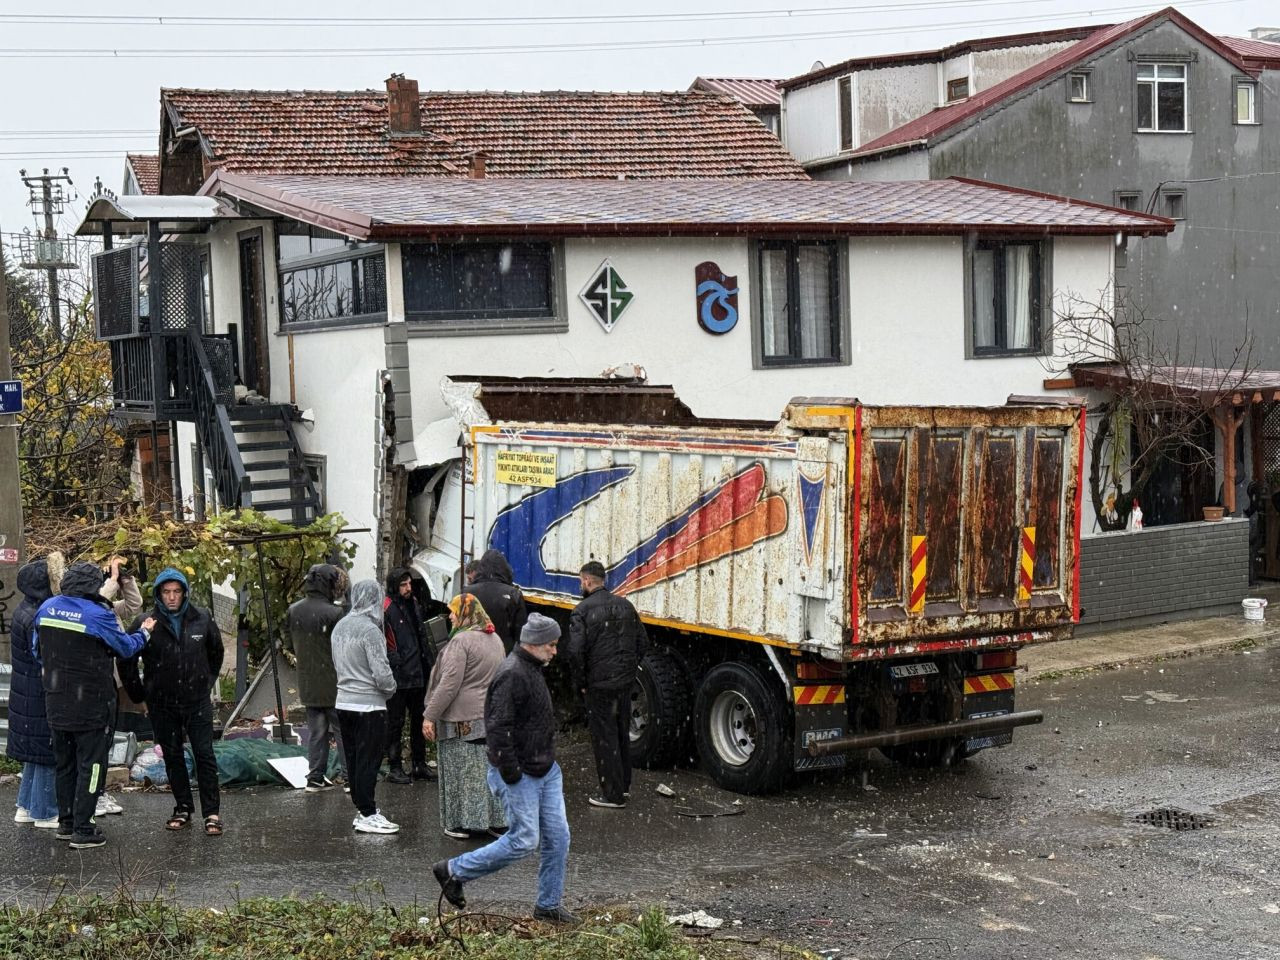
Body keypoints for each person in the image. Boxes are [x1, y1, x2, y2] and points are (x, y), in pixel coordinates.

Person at [432, 613, 577, 925]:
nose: (555, 651)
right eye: (551, 645)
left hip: (545, 770)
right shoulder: (512, 674)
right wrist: (511, 772)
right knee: (525, 840)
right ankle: (453, 870)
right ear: (534, 644)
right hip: (520, 773)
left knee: (559, 837)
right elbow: (498, 727)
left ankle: (548, 905)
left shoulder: (532, 667)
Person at [32, 562, 154, 849]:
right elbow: (125, 648)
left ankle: (66, 822)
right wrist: (145, 633)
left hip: (56, 701)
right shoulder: (98, 614)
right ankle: (84, 830)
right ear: (92, 587)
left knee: (65, 764)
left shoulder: (46, 607)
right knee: (92, 765)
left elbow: (37, 652)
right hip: (91, 704)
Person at [119, 568, 225, 837]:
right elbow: (126, 658)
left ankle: (212, 812)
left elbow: (216, 653)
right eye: (166, 592)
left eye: (176, 591)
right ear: (158, 594)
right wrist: (139, 695)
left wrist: (206, 682)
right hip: (162, 702)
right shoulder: (147, 622)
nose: (172, 597)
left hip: (196, 700)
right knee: (173, 755)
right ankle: (182, 808)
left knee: (204, 754)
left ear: (184, 593)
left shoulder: (202, 618)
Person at [423, 593, 507, 840]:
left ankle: (462, 823)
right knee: (487, 770)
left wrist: (430, 715)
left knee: (460, 772)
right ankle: (496, 822)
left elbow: (449, 684)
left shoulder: (460, 642)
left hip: (461, 720)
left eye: (453, 611)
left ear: (465, 613)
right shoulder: (495, 639)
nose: (449, 616)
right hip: (488, 718)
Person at [568, 560, 648, 810]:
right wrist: (628, 668)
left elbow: (575, 652)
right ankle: (623, 785)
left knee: (605, 738)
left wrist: (581, 682)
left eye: (581, 581)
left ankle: (612, 795)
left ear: (588, 581)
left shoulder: (581, 611)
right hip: (623, 683)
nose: (581, 585)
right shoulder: (626, 606)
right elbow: (642, 643)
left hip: (599, 685)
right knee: (621, 732)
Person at [332, 579, 399, 834]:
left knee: (354, 759)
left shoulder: (340, 627)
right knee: (369, 762)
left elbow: (336, 663)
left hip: (344, 701)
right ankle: (368, 813)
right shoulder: (371, 630)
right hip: (369, 705)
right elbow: (381, 673)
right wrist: (391, 688)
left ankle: (362, 809)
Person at [285, 564, 349, 793]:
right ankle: (349, 778)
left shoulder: (294, 610)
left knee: (316, 732)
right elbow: (343, 648)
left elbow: (289, 644)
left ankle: (315, 778)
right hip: (334, 682)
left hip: (308, 681)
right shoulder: (335, 613)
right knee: (342, 731)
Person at [7, 559, 59, 829]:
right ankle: (46, 811)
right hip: (39, 694)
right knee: (46, 751)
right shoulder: (39, 615)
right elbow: (45, 658)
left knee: (33, 753)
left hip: (25, 693)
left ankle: (26, 805)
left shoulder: (23, 609)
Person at [95, 554, 144, 818]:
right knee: (97, 742)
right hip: (98, 684)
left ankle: (98, 792)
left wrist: (125, 578)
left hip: (112, 682)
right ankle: (95, 795)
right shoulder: (92, 610)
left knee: (106, 738)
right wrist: (111, 580)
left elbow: (135, 604)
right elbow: (100, 600)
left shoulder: (109, 609)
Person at [382, 567, 435, 785]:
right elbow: (385, 639)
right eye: (403, 585)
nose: (408, 588)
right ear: (395, 586)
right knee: (395, 722)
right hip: (399, 674)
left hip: (418, 670)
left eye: (409, 584)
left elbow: (420, 634)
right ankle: (395, 766)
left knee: (418, 719)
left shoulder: (413, 603)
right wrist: (396, 661)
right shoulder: (387, 607)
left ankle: (419, 763)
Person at [465, 549, 529, 654]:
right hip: (502, 654)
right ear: (505, 569)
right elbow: (520, 634)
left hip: (473, 653)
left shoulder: (466, 593)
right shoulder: (513, 595)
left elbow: (457, 627)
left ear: (481, 568)